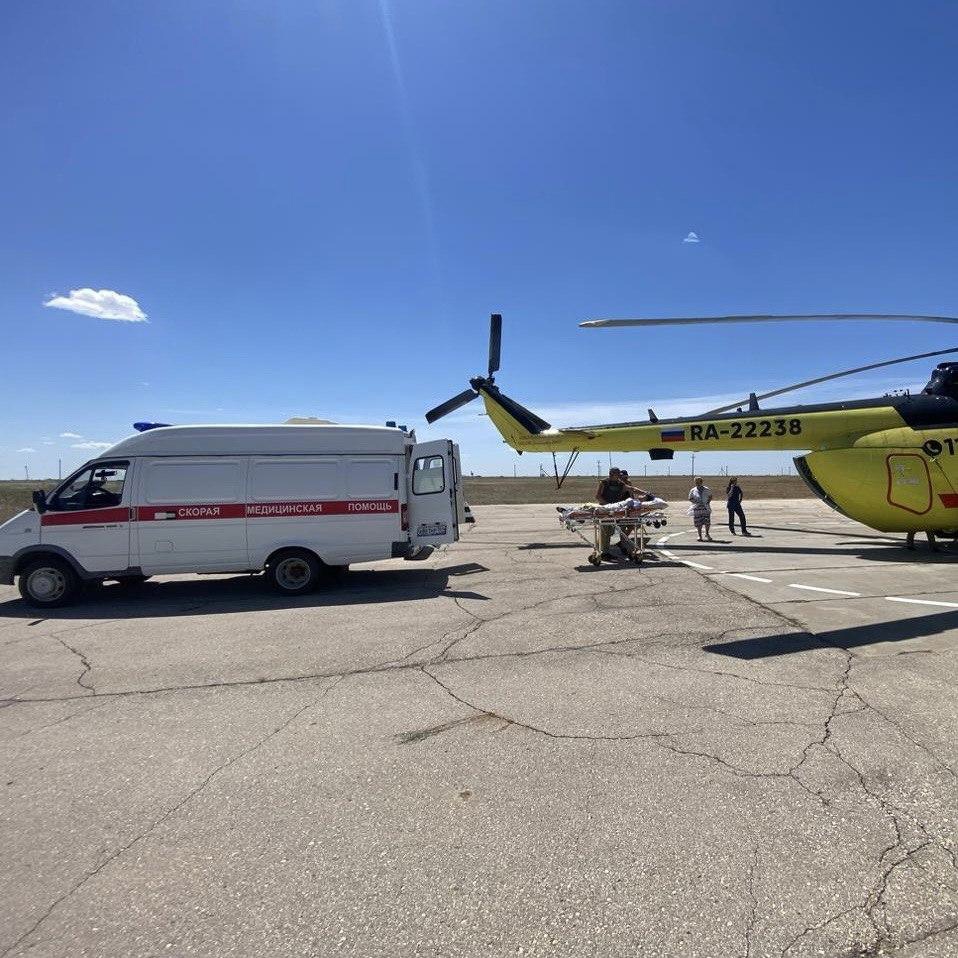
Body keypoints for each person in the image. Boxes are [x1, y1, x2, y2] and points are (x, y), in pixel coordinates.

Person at [595, 467, 649, 559]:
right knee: (605, 530)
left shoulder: (620, 484)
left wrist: (646, 493)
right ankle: (604, 552)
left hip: (616, 510)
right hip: (606, 510)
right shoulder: (604, 483)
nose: (619, 476)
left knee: (618, 529)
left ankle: (621, 546)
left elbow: (632, 489)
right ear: (612, 474)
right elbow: (598, 496)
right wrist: (609, 506)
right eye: (617, 474)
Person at [688, 477, 713, 542]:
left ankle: (707, 534)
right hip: (697, 508)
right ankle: (699, 535)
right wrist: (695, 501)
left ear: (701, 482)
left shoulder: (706, 489)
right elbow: (690, 498)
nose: (697, 483)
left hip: (705, 507)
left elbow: (710, 496)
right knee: (698, 522)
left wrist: (708, 502)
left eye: (698, 482)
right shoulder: (693, 490)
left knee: (707, 522)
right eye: (696, 482)